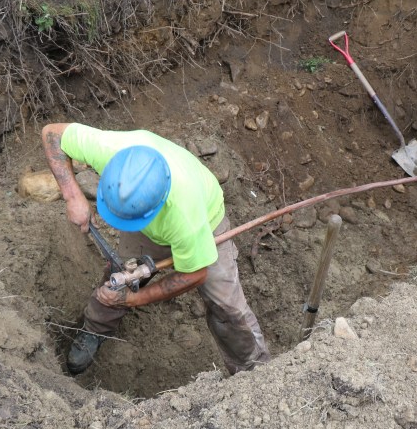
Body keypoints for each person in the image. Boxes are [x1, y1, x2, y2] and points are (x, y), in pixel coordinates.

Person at [41, 122, 271, 375]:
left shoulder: (185, 217)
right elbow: (53, 133)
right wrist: (72, 195)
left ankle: (254, 372)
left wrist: (133, 300)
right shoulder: (110, 150)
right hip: (149, 222)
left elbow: (194, 274)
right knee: (120, 277)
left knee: (227, 307)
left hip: (207, 222)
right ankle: (95, 328)